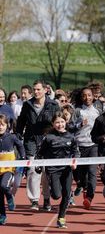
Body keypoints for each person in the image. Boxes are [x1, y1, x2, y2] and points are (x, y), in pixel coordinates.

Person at [16, 79, 60, 210]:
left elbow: (59, 121)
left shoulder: (53, 105)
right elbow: (21, 121)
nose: (36, 92)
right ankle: (34, 200)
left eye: (38, 89)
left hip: (48, 141)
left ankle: (46, 199)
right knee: (32, 171)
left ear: (45, 90)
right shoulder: (27, 105)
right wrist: (18, 133)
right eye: (34, 89)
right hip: (31, 140)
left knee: (46, 172)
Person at [36, 112, 80, 229]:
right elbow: (40, 153)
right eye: (57, 122)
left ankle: (61, 218)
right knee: (56, 195)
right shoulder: (49, 138)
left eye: (62, 122)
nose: (60, 125)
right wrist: (38, 166)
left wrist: (74, 161)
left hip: (66, 170)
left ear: (66, 122)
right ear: (53, 124)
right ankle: (52, 189)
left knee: (66, 194)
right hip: (53, 169)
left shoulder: (71, 137)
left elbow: (76, 151)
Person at [73, 87, 100, 209]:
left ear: (93, 96)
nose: (87, 98)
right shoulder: (78, 111)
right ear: (81, 97)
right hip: (80, 145)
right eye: (84, 95)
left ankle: (89, 197)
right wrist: (79, 124)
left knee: (92, 172)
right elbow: (69, 126)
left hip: (93, 145)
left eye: (89, 95)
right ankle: (83, 186)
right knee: (82, 174)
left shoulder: (98, 111)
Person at [0, 114, 25, 225]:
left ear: (7, 125)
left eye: (2, 125)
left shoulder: (11, 137)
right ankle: (2, 215)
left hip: (8, 168)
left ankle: (10, 196)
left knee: (3, 186)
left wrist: (23, 157)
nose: (0, 127)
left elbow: (20, 145)